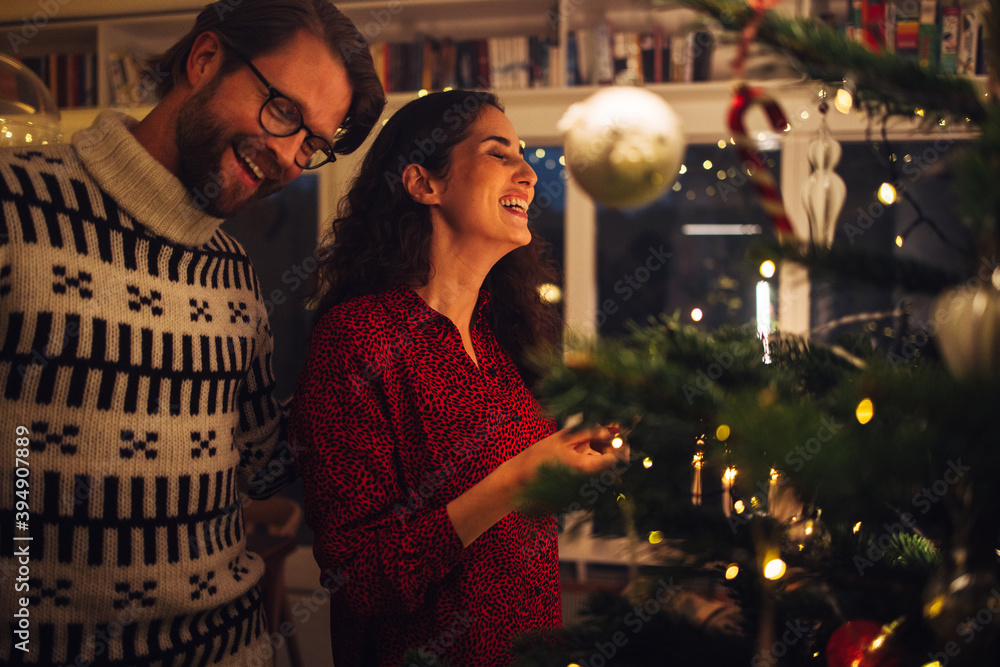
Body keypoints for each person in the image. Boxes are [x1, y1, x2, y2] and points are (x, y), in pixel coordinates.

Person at [0, 1, 384, 665]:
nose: (292, 158)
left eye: (312, 144)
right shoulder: (15, 204)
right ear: (204, 61)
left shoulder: (234, 272)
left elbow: (264, 463)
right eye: (285, 112)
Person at [290, 89, 622, 667]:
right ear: (425, 184)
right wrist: (517, 479)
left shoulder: (501, 339)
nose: (528, 173)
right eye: (500, 154)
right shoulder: (360, 339)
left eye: (524, 154)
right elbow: (358, 578)